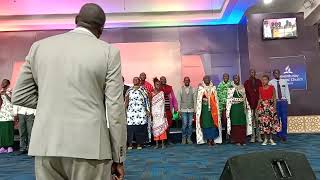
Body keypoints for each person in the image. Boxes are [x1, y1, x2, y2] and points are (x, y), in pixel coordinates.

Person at [12, 4, 126, 180]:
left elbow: (19, 95)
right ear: (101, 29)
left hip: (47, 144)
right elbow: (115, 110)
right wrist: (119, 157)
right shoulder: (109, 52)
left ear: (76, 20)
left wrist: (52, 102)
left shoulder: (39, 47)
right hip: (90, 147)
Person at [195, 76, 222, 146]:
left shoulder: (213, 88)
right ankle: (208, 140)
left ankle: (212, 139)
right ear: (203, 80)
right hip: (204, 109)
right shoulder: (201, 88)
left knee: (213, 124)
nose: (207, 80)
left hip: (213, 110)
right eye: (205, 79)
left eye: (208, 79)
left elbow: (216, 99)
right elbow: (198, 99)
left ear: (210, 80)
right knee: (206, 124)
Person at [226, 75, 252, 146]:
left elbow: (245, 98)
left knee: (242, 124)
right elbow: (229, 99)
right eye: (235, 78)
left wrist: (246, 107)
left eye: (237, 78)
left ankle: (242, 140)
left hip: (241, 107)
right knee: (235, 124)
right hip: (234, 108)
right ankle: (236, 140)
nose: (236, 79)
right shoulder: (230, 88)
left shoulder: (242, 87)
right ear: (233, 79)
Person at [125, 77, 150, 150]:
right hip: (131, 112)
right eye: (134, 79)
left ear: (139, 81)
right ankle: (130, 144)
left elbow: (146, 100)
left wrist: (148, 110)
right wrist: (124, 109)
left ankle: (139, 144)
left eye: (136, 79)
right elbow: (126, 100)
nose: (135, 80)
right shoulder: (129, 90)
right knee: (130, 128)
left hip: (141, 112)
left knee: (140, 128)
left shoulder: (143, 90)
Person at [257, 75, 281, 146]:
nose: (264, 81)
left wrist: (274, 107)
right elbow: (260, 98)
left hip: (270, 107)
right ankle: (265, 139)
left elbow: (274, 98)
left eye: (265, 80)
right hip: (263, 108)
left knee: (270, 123)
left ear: (268, 80)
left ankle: (271, 139)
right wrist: (257, 108)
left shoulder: (272, 87)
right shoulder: (260, 88)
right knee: (264, 124)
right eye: (263, 80)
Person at [269, 69, 290, 142]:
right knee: (276, 120)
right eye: (275, 73)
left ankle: (284, 135)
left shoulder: (284, 81)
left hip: (283, 102)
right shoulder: (270, 82)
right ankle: (279, 134)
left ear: (279, 73)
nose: (276, 74)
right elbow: (270, 94)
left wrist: (288, 101)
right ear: (273, 74)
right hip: (276, 102)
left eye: (277, 73)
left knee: (284, 119)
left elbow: (287, 91)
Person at [244, 69, 263, 143]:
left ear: (255, 73)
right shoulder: (246, 82)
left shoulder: (259, 81)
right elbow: (245, 94)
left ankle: (259, 136)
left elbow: (261, 93)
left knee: (258, 121)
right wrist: (247, 104)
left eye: (254, 72)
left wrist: (260, 103)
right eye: (251, 72)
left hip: (258, 104)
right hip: (250, 105)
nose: (253, 73)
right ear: (249, 73)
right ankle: (252, 136)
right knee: (251, 121)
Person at [160, 76, 178, 144]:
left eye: (165, 79)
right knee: (162, 125)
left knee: (168, 125)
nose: (163, 80)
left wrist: (175, 108)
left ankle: (168, 139)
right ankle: (162, 140)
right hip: (161, 111)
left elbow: (173, 98)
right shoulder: (158, 88)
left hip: (168, 110)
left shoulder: (169, 88)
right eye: (162, 79)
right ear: (160, 81)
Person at [151, 78, 168, 149]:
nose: (158, 86)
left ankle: (163, 144)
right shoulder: (151, 93)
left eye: (159, 84)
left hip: (161, 112)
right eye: (157, 84)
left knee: (162, 128)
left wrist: (164, 112)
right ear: (154, 85)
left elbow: (163, 103)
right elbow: (150, 103)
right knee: (155, 128)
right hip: (154, 113)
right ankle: (157, 144)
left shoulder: (162, 93)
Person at [178, 77, 195, 144]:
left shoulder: (193, 89)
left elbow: (194, 100)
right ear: (184, 81)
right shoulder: (180, 89)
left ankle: (189, 138)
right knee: (184, 124)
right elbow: (179, 100)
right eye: (185, 80)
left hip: (191, 109)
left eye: (188, 80)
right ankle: (184, 138)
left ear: (189, 81)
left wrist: (195, 109)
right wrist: (179, 110)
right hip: (183, 109)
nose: (187, 81)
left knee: (190, 125)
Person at [217, 73, 232, 141]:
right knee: (223, 121)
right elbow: (218, 95)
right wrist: (223, 104)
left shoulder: (231, 85)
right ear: (223, 77)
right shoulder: (220, 85)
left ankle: (228, 135)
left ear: (228, 77)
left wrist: (228, 104)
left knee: (229, 121)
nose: (226, 77)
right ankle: (221, 136)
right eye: (224, 76)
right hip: (222, 106)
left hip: (230, 106)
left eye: (227, 76)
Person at [0, 79, 14, 154]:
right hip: (3, 111)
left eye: (5, 83)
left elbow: (12, 100)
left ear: (8, 84)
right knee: (2, 129)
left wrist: (5, 94)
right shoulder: (1, 90)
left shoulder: (10, 90)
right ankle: (3, 146)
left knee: (9, 129)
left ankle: (9, 146)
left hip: (9, 111)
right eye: (3, 82)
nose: (3, 84)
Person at [139, 72, 153, 143]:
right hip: (138, 109)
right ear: (139, 76)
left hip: (147, 107)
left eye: (144, 75)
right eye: (141, 75)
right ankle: (140, 140)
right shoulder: (136, 86)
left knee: (147, 124)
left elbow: (151, 97)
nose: (143, 76)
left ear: (146, 77)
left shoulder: (149, 85)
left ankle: (148, 140)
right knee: (140, 124)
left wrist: (150, 108)